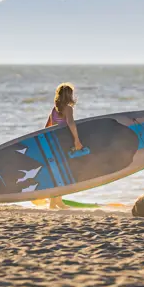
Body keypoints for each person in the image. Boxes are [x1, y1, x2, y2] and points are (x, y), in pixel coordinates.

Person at [45, 82, 83, 210]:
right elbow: (71, 124)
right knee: (63, 171)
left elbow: (47, 127)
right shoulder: (68, 109)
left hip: (53, 143)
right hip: (63, 143)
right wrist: (77, 140)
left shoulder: (54, 110)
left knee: (58, 171)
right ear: (69, 96)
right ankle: (57, 202)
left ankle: (54, 202)